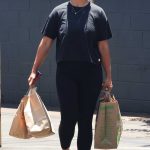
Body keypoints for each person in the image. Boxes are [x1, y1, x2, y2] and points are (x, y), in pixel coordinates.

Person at [28, 0, 113, 149]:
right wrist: (34, 69)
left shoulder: (98, 12)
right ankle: (65, 147)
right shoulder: (58, 11)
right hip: (66, 73)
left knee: (85, 119)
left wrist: (109, 76)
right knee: (68, 117)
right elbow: (46, 41)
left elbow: (103, 46)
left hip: (91, 73)